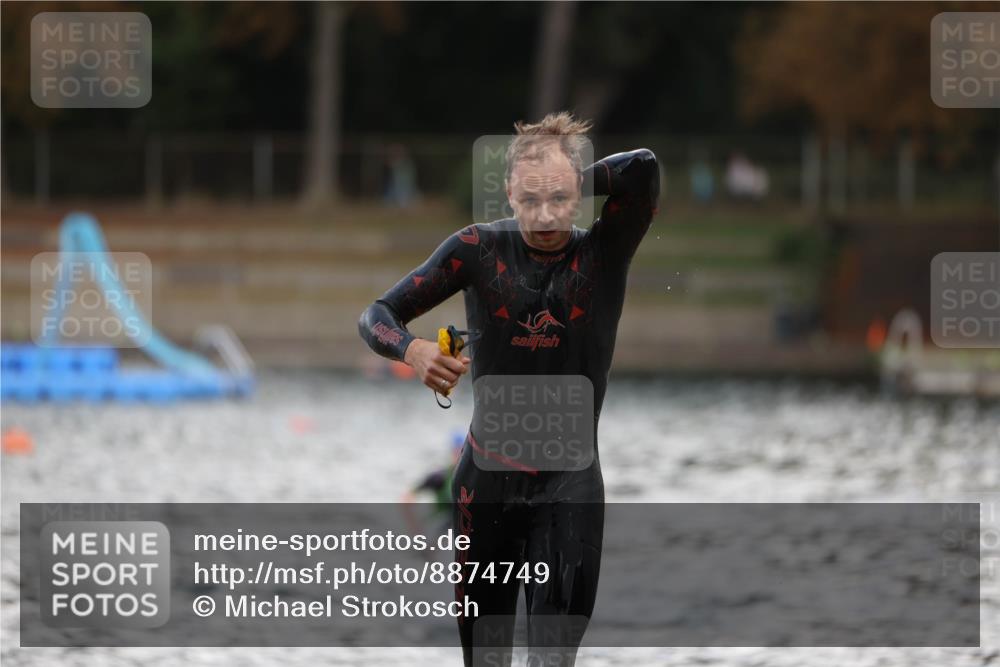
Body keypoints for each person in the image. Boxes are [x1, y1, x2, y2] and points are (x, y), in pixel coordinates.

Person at [359, 112, 659, 666]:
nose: (544, 216)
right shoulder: (476, 249)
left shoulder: (605, 250)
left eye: (560, 199)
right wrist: (414, 350)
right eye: (529, 200)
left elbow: (643, 169)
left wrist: (560, 173)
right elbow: (376, 314)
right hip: (485, 491)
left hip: (568, 490)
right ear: (507, 193)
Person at [400, 430, 464, 537]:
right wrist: (416, 531)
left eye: (463, 452)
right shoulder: (439, 477)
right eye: (458, 451)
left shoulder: (474, 479)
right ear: (452, 452)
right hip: (442, 528)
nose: (460, 456)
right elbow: (406, 498)